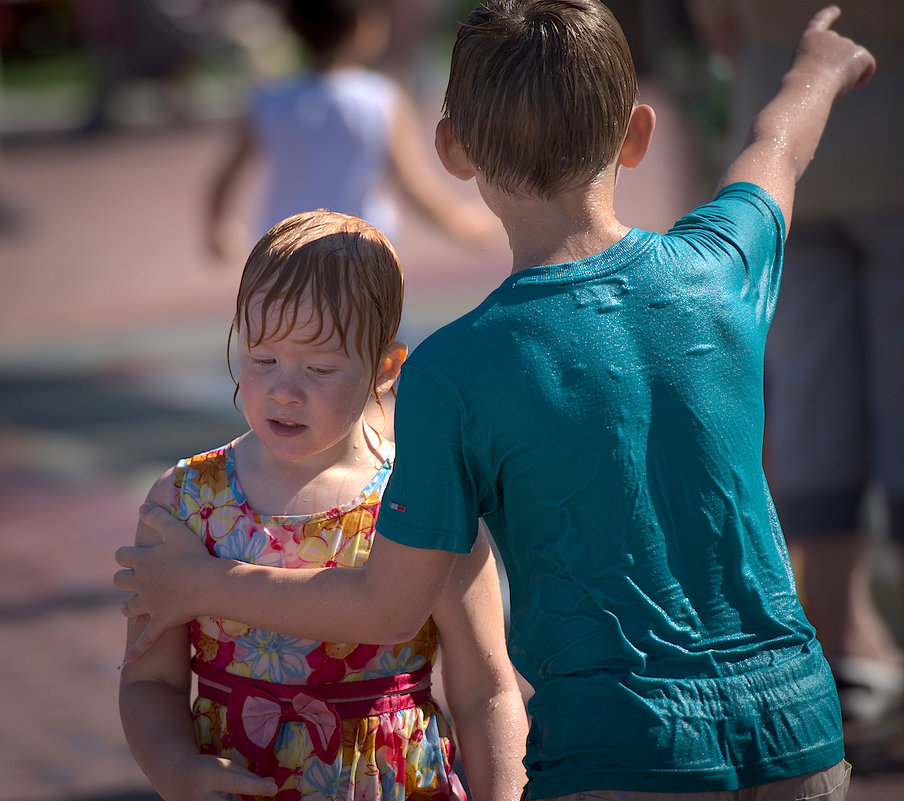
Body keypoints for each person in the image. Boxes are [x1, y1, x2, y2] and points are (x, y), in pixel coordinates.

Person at [116, 2, 875, 797]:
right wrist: (815, 71)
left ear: (453, 150)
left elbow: (386, 606)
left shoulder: (454, 369)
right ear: (636, 134)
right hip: (799, 730)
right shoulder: (720, 264)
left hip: (619, 745)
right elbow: (774, 153)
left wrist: (204, 585)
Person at [118, 209, 528, 801]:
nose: (285, 388)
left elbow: (484, 689)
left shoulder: (418, 496)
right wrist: (174, 768)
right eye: (262, 359)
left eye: (321, 368)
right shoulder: (184, 504)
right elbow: (148, 678)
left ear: (384, 369)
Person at [687, 0, 904, 724]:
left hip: (787, 155)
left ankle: (843, 643)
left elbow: (715, 24)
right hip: (892, 136)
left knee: (811, 405)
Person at [206, 0, 493, 262]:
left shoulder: (268, 100)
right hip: (360, 253)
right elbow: (414, 185)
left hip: (285, 250)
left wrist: (219, 225)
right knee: (371, 319)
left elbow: (224, 178)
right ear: (362, 28)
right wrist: (463, 223)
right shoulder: (381, 98)